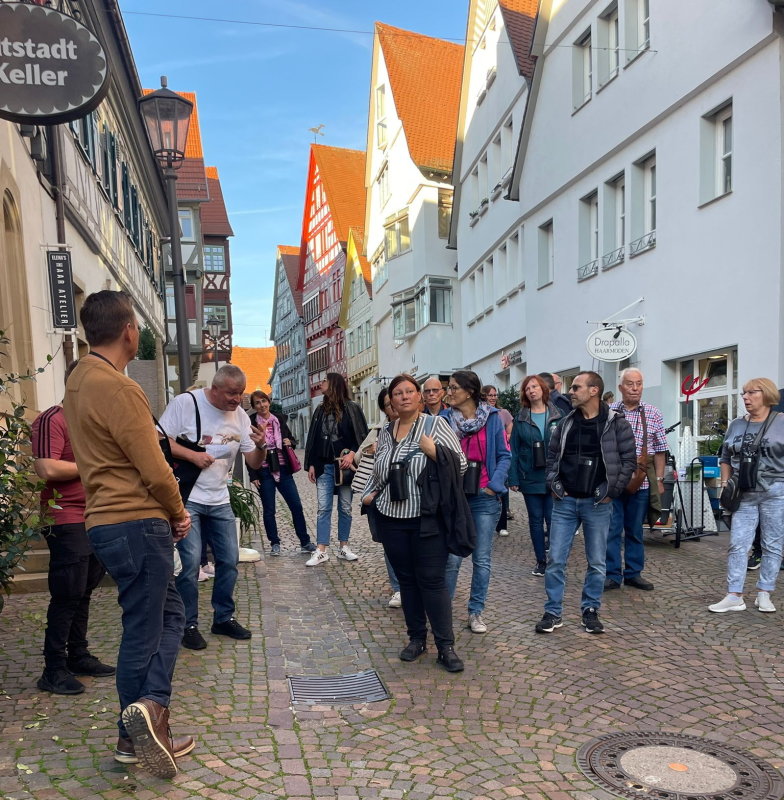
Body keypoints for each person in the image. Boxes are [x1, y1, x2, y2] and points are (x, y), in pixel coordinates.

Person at [63, 290, 195, 778]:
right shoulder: (118, 387)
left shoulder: (76, 382)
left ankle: (138, 734)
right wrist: (178, 512)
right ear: (128, 331)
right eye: (137, 325)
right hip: (137, 519)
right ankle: (147, 713)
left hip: (103, 521)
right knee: (147, 626)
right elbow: (155, 466)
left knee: (165, 612)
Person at [362, 374, 467, 671]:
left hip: (427, 518)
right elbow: (377, 470)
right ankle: (416, 638)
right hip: (392, 518)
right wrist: (370, 494)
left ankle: (446, 646)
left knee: (432, 581)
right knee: (406, 581)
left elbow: (459, 465)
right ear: (391, 400)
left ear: (419, 397)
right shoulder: (384, 431)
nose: (404, 397)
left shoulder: (436, 425)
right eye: (398, 393)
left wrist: (433, 451)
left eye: (410, 391)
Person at [159, 365, 267, 651]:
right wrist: (193, 456)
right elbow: (158, 440)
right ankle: (188, 624)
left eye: (241, 393)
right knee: (191, 562)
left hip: (220, 497)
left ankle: (223, 617)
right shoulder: (187, 403)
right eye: (231, 393)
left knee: (229, 561)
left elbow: (253, 462)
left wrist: (263, 446)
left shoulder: (241, 416)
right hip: (189, 496)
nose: (237, 399)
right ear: (215, 389)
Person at [32, 361, 115, 696]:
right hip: (64, 517)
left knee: (84, 590)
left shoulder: (93, 423)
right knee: (67, 593)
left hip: (95, 516)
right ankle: (53, 670)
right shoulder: (53, 418)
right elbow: (46, 467)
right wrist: (93, 465)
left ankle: (78, 655)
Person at [535, 371, 636, 635]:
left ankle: (590, 610)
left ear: (594, 391)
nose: (571, 390)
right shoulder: (566, 421)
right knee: (555, 559)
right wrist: (554, 484)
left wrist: (611, 491)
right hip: (565, 501)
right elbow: (552, 456)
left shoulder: (616, 424)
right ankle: (553, 612)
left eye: (577, 386)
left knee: (597, 562)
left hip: (597, 503)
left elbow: (629, 462)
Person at [443, 370, 511, 634]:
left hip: (484, 497)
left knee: (481, 559)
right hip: (456, 497)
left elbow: (505, 455)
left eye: (453, 388)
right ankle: (443, 610)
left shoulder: (492, 418)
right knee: (452, 558)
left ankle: (475, 612)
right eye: (449, 388)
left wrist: (494, 486)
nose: (449, 393)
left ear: (469, 392)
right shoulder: (444, 419)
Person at [709, 378, 784, 613]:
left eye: (752, 392)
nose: (746, 397)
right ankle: (734, 595)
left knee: (772, 544)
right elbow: (724, 457)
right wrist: (725, 484)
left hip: (775, 492)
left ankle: (765, 593)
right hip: (743, 493)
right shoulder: (736, 425)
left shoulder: (781, 423)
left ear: (767, 394)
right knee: (738, 545)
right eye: (744, 393)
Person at [605, 369, 667, 591]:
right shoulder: (609, 411)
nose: (634, 388)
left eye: (639, 384)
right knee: (611, 530)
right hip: (612, 481)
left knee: (634, 530)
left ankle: (633, 573)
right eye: (630, 384)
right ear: (621, 387)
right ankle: (612, 575)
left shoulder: (653, 412)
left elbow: (660, 450)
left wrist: (659, 479)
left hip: (639, 482)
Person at [303, 372, 369, 566]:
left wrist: (352, 454)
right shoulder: (320, 409)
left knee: (345, 508)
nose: (321, 383)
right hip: (324, 465)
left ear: (334, 385)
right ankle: (321, 550)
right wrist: (312, 464)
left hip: (345, 467)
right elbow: (313, 439)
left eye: (325, 381)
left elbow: (363, 437)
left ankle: (344, 547)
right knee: (323, 508)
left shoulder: (352, 408)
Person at [247, 390, 316, 556]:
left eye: (264, 401)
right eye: (257, 403)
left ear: (269, 402)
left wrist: (289, 441)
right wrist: (253, 475)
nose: (262, 405)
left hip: (284, 469)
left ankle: (305, 541)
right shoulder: (251, 424)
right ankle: (274, 543)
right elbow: (248, 450)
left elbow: (291, 439)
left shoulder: (279, 419)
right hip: (263, 471)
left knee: (296, 506)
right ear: (254, 406)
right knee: (269, 509)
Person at [508, 375, 564, 577]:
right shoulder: (521, 418)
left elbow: (566, 448)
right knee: (535, 520)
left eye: (535, 386)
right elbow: (513, 450)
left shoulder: (558, 415)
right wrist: (513, 478)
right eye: (527, 388)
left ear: (543, 389)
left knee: (553, 519)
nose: (531, 390)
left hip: (553, 476)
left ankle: (556, 560)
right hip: (529, 476)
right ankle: (541, 561)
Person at [353, 388, 402, 607]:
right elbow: (356, 456)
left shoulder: (419, 426)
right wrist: (370, 452)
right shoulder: (379, 430)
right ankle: (398, 589)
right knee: (390, 544)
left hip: (409, 496)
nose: (394, 407)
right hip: (383, 497)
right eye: (388, 404)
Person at [483, 385, 514, 537]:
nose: (493, 397)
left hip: (500, 456)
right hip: (487, 458)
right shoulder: (480, 414)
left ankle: (502, 523)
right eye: (490, 395)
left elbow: (510, 431)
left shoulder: (503, 413)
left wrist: (505, 437)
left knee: (502, 489)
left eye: (495, 395)